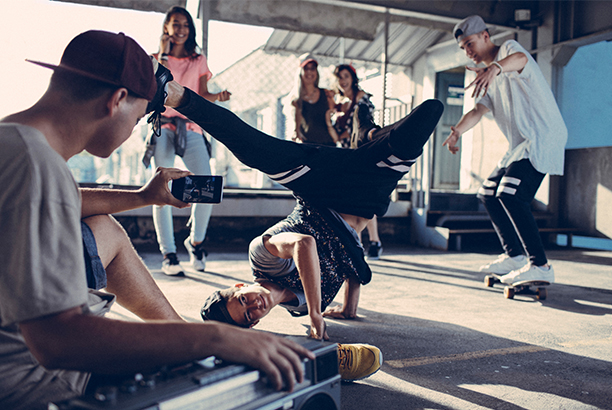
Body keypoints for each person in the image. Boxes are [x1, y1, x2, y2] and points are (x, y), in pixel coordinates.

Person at [0, 30, 314, 410]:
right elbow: (58, 343)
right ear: (117, 101)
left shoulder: (15, 143)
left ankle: (180, 336)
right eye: (141, 115)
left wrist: (143, 197)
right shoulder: (37, 167)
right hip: (23, 376)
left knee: (103, 228)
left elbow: (52, 203)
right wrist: (213, 338)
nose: (136, 128)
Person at [152, 60, 444, 340]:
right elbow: (350, 261)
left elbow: (305, 244)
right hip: (366, 196)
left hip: (321, 186)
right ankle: (366, 130)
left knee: (255, 150)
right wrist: (348, 307)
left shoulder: (263, 257)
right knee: (428, 116)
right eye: (250, 318)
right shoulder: (299, 307)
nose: (255, 307)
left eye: (243, 301)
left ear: (239, 286)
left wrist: (317, 313)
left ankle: (172, 93)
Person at [443, 15, 567, 285]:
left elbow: (521, 61)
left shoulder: (509, 50)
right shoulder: (488, 75)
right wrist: (457, 132)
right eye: (463, 48)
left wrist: (495, 68)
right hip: (521, 145)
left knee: (511, 195)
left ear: (486, 36)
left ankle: (541, 265)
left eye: (470, 43)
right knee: (487, 193)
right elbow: (478, 110)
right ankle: (515, 257)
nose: (468, 51)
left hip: (543, 136)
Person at [143, 6, 231, 276]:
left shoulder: (198, 60)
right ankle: (168, 253)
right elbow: (152, 91)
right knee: (161, 189)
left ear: (190, 29)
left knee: (206, 186)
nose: (181, 29)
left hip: (191, 127)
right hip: (163, 126)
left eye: (185, 25)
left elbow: (201, 94)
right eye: (175, 24)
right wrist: (163, 58)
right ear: (166, 27)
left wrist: (219, 97)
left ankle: (196, 241)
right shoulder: (155, 58)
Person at [333, 63, 383, 259]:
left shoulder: (363, 98)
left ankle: (375, 241)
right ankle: (357, 243)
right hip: (344, 155)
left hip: (361, 153)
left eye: (346, 76)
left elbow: (365, 124)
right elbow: (336, 133)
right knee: (350, 201)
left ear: (353, 78)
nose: (343, 80)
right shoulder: (338, 101)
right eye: (339, 77)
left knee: (364, 199)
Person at [291, 54, 339, 146]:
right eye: (306, 68)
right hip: (308, 147)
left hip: (328, 145)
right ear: (300, 72)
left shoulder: (326, 94)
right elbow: (297, 128)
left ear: (316, 72)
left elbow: (336, 113)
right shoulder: (297, 100)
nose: (309, 72)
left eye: (312, 68)